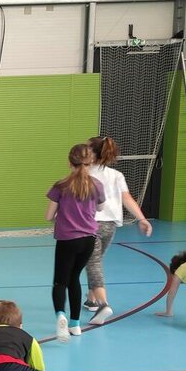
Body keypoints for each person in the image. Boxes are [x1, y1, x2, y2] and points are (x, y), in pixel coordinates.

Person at [82, 136, 152, 324]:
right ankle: (92, 300)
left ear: (92, 152)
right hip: (110, 226)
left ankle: (103, 304)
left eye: (87, 148)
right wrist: (142, 219)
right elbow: (127, 199)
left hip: (90, 223)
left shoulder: (84, 173)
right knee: (95, 261)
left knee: (93, 263)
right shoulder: (116, 175)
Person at [45, 144, 105, 342]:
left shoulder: (61, 186)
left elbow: (48, 216)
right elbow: (101, 207)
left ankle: (60, 315)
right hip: (88, 240)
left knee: (60, 281)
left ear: (69, 162)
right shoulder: (96, 185)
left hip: (67, 240)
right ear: (90, 162)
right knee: (75, 278)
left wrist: (62, 217)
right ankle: (75, 324)